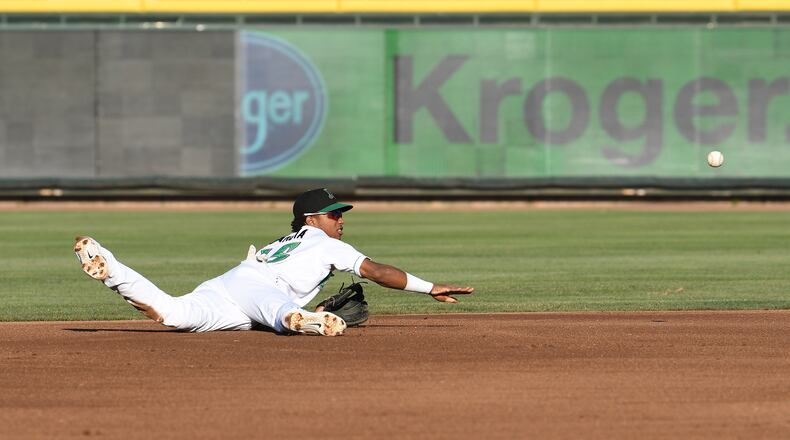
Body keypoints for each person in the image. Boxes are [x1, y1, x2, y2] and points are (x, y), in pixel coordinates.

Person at [73, 188, 474, 336]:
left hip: (231, 283)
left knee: (175, 314)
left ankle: (110, 266)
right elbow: (376, 272)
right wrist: (429, 286)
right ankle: (306, 323)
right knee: (282, 315)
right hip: (259, 288)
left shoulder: (291, 238)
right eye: (333, 214)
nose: (340, 219)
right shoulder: (323, 242)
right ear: (311, 219)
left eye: (339, 213)